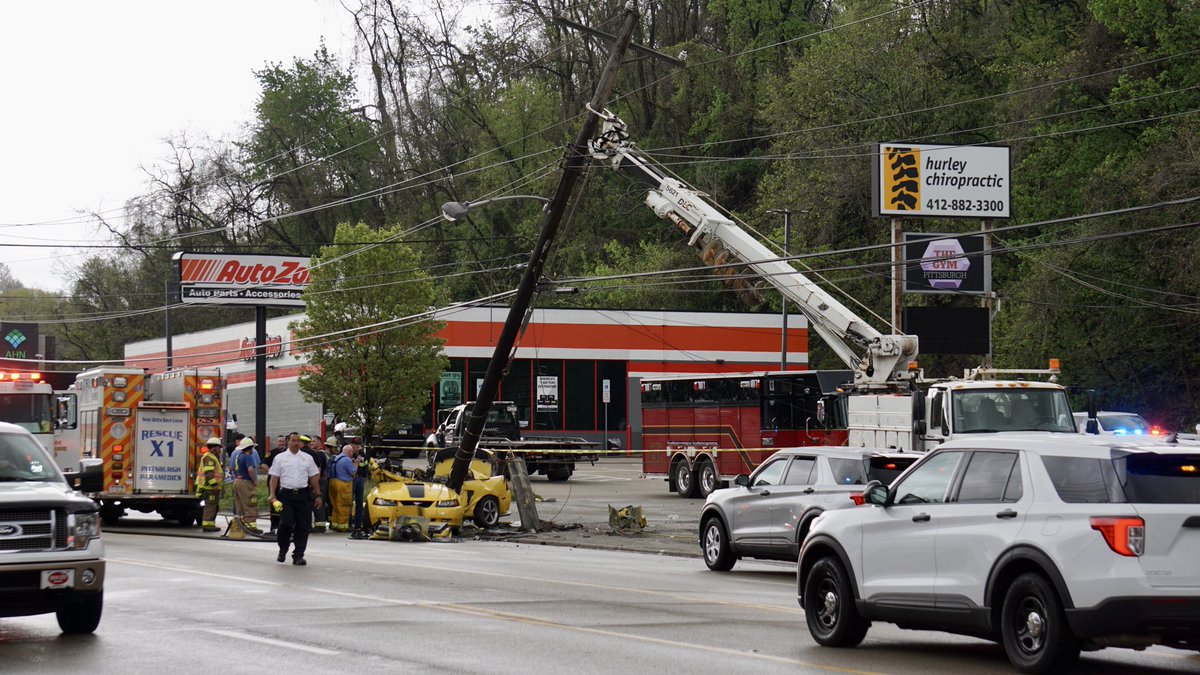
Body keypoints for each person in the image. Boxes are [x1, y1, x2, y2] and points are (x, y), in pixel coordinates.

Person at [268, 432, 322, 565]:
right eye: (293, 440)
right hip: (286, 495)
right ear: (288, 442)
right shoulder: (280, 458)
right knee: (285, 524)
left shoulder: (307, 458)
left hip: (303, 495)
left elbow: (314, 478)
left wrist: (318, 495)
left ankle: (298, 555)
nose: (296, 443)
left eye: (298, 441)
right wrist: (272, 495)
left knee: (303, 526)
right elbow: (274, 478)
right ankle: (283, 549)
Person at [300, 435, 329, 533]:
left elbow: (318, 471)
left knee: (316, 503)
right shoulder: (316, 453)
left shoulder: (319, 454)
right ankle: (318, 524)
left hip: (318, 481)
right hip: (317, 481)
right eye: (311, 442)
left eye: (314, 442)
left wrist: (314, 484)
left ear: (320, 443)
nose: (312, 443)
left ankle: (320, 525)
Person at [195, 437, 224, 532]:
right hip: (210, 487)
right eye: (219, 448)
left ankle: (210, 524)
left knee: (213, 506)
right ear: (214, 448)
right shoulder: (209, 458)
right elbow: (209, 473)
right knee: (211, 506)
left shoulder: (212, 457)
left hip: (210, 487)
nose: (220, 450)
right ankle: (208, 525)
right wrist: (214, 484)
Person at [232, 437, 260, 530]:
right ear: (250, 447)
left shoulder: (238, 455)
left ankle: (239, 527)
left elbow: (232, 468)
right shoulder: (248, 456)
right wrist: (255, 481)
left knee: (239, 506)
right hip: (246, 482)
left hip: (237, 481)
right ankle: (251, 527)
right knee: (250, 504)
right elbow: (250, 469)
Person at [328, 442, 357, 532]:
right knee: (344, 505)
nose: (353, 453)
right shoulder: (347, 460)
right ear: (348, 451)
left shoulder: (337, 458)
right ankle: (343, 526)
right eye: (352, 451)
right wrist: (356, 463)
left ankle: (335, 524)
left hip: (333, 483)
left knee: (335, 505)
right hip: (343, 484)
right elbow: (353, 472)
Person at [261, 436, 287, 535]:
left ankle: (283, 525)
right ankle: (274, 526)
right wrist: (273, 473)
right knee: (275, 504)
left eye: (283, 441)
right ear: (277, 442)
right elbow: (263, 464)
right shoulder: (271, 453)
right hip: (274, 482)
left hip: (284, 482)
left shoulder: (287, 453)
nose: (281, 443)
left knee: (285, 504)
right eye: (279, 441)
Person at [349, 435, 370, 538]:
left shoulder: (363, 455)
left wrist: (365, 478)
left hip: (360, 479)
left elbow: (365, 467)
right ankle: (348, 524)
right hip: (351, 479)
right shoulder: (349, 454)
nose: (356, 447)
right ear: (351, 445)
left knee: (359, 503)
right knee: (349, 501)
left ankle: (357, 525)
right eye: (355, 444)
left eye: (358, 445)